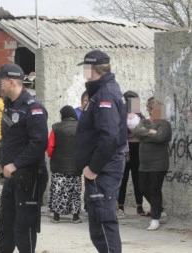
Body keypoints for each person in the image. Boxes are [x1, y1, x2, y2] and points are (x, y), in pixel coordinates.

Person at [75, 50, 127, 253]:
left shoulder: (105, 94)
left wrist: (94, 167)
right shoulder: (102, 91)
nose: (84, 72)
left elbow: (110, 136)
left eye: (85, 68)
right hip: (102, 169)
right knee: (98, 224)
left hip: (103, 170)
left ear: (92, 69)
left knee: (104, 224)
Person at [0, 63, 48, 253]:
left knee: (23, 229)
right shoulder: (9, 106)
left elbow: (39, 143)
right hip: (12, 176)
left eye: (0, 80)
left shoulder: (34, 109)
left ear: (10, 82)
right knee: (5, 227)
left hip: (28, 176)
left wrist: (16, 164)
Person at [134, 98, 172, 231]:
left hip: (158, 164)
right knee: (143, 188)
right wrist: (150, 132)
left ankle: (155, 219)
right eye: (154, 109)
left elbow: (160, 137)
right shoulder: (143, 122)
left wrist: (145, 134)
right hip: (144, 164)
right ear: (149, 109)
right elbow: (136, 132)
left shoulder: (165, 124)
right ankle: (159, 209)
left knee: (155, 190)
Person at [47, 105, 82, 224]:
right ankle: (75, 217)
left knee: (58, 190)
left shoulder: (56, 127)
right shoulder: (80, 127)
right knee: (74, 191)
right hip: (75, 166)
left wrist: (53, 157)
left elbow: (50, 148)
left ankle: (56, 216)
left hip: (59, 166)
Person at [117, 91, 146, 216]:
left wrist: (134, 131)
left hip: (137, 148)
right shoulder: (121, 115)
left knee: (137, 177)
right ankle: (120, 205)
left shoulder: (140, 116)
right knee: (123, 177)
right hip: (125, 148)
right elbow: (119, 130)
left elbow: (143, 131)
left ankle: (139, 205)